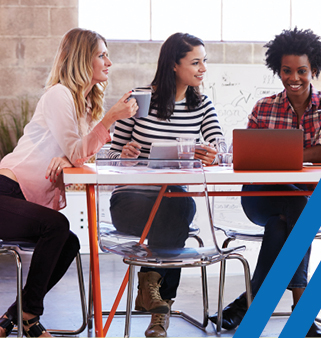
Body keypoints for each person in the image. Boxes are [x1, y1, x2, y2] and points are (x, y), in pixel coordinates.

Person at [0, 28, 138, 337]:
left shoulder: (85, 106)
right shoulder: (59, 95)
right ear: (82, 60)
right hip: (6, 191)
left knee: (69, 241)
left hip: (22, 199)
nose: (109, 62)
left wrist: (68, 158)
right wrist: (109, 120)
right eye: (102, 55)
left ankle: (15, 315)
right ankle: (30, 316)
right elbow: (79, 151)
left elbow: (79, 155)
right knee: (57, 227)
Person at [209, 28, 321, 337]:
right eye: (287, 70)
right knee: (297, 208)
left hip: (302, 200)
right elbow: (249, 155)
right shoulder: (263, 107)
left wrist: (279, 151)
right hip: (260, 195)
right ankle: (303, 313)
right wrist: (299, 152)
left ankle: (244, 305)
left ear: (314, 70)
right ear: (277, 69)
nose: (293, 77)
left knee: (282, 223)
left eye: (301, 71)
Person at [108, 32, 223, 337]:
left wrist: (213, 153)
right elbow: (103, 154)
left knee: (179, 204)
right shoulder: (140, 99)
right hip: (131, 201)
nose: (203, 69)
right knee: (179, 210)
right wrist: (123, 154)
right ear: (174, 64)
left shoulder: (202, 104)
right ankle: (156, 302)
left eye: (204, 62)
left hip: (172, 202)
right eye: (195, 62)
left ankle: (154, 300)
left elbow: (221, 145)